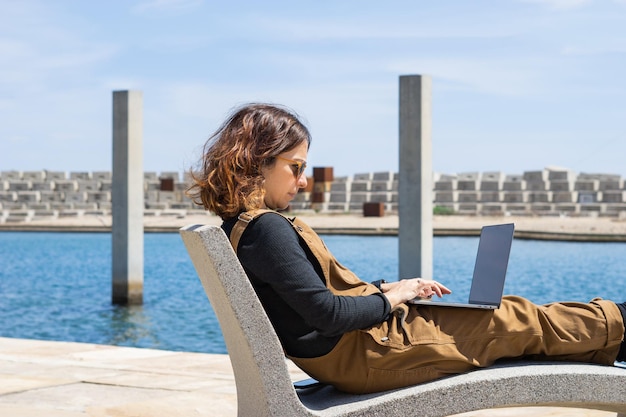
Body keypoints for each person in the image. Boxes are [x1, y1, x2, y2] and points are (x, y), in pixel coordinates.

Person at [186, 102, 626, 394]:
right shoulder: (268, 230)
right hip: (364, 357)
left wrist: (389, 288)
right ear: (255, 162)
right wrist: (392, 297)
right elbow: (328, 315)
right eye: (295, 167)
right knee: (513, 318)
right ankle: (621, 321)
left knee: (507, 318)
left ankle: (615, 335)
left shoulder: (243, 228)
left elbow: (313, 305)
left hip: (356, 351)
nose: (303, 181)